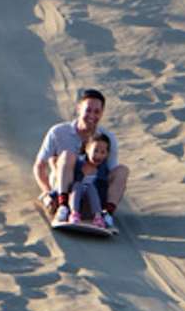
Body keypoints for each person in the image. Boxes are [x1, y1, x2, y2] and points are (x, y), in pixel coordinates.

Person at [33, 88, 129, 229]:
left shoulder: (107, 139)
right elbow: (39, 165)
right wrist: (46, 192)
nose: (92, 115)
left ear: (102, 113)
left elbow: (111, 173)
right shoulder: (59, 132)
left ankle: (105, 214)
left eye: (97, 112)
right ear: (79, 109)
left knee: (122, 170)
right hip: (63, 191)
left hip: (92, 194)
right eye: (88, 110)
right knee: (67, 156)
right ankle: (63, 207)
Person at [68, 134, 111, 227]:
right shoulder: (78, 163)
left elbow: (103, 189)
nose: (98, 155)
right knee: (77, 185)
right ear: (87, 149)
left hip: (90, 203)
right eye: (95, 151)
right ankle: (74, 213)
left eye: (102, 152)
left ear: (107, 154)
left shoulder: (103, 170)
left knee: (91, 187)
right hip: (74, 198)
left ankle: (98, 217)